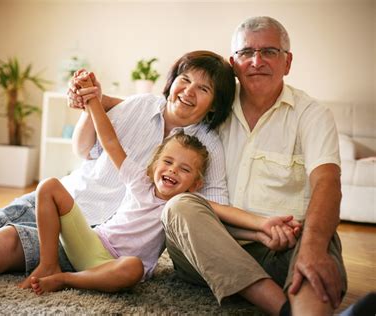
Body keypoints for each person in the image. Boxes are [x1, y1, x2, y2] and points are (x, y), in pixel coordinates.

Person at [70, 16, 347, 316]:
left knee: (316, 254)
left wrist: (313, 247)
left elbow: (327, 183)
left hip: (286, 238)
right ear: (234, 62)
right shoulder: (216, 111)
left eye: (269, 51)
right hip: (207, 244)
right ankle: (279, 307)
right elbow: (167, 107)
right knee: (180, 206)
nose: (256, 61)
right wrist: (99, 99)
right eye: (246, 53)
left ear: (287, 62)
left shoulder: (311, 114)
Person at [0, 51, 236, 286]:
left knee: (6, 242)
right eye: (185, 79)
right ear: (172, 80)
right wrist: (90, 102)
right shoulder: (139, 105)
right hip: (70, 196)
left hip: (96, 236)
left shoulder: (208, 148)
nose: (188, 91)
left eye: (203, 88)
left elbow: (209, 209)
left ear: (215, 104)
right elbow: (85, 148)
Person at [26, 71, 301, 295]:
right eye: (167, 163)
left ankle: (67, 280)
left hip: (118, 268)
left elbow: (225, 214)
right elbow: (109, 141)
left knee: (133, 268)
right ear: (154, 165)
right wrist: (94, 101)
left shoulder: (182, 207)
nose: (172, 172)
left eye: (183, 170)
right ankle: (48, 264)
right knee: (49, 186)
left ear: (195, 184)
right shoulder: (139, 180)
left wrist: (263, 227)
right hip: (93, 244)